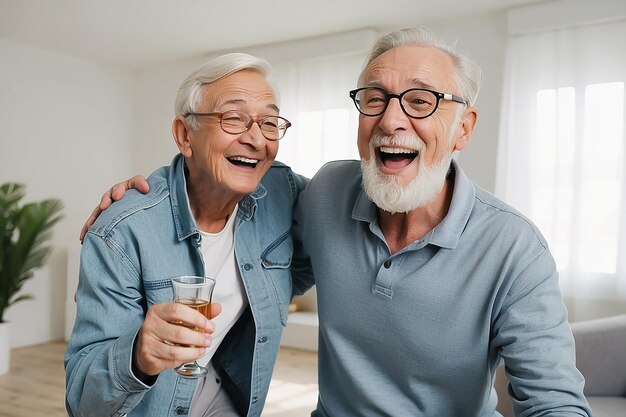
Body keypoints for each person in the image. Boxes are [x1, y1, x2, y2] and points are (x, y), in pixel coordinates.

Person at [83, 28, 592, 416]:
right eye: (375, 99)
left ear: (463, 128)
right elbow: (229, 175)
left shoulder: (516, 248)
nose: (392, 120)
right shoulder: (326, 191)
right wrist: (148, 192)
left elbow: (553, 400)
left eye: (421, 100)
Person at [65, 53, 311, 417]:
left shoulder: (283, 190)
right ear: (185, 135)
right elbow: (83, 401)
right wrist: (139, 355)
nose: (257, 139)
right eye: (234, 118)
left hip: (223, 389)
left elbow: (350, 210)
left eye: (270, 122)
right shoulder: (122, 231)